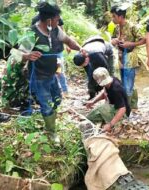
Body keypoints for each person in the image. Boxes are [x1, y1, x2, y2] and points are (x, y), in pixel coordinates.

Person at [21, 2, 82, 142]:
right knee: (47, 105)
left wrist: (79, 48)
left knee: (57, 99)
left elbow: (67, 40)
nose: (58, 21)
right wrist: (27, 55)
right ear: (49, 20)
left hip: (52, 75)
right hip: (39, 77)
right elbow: (15, 54)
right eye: (56, 19)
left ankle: (50, 120)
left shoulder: (55, 30)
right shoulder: (31, 34)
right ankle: (51, 132)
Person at [110, 5, 146, 110]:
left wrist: (130, 44)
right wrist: (114, 41)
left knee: (128, 83)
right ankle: (133, 104)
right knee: (125, 80)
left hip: (130, 56)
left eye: (114, 16)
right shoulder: (116, 28)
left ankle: (127, 107)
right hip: (120, 56)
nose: (112, 19)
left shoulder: (132, 26)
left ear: (121, 17)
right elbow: (112, 39)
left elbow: (143, 39)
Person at [32, 13, 69, 96]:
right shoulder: (35, 25)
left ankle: (64, 90)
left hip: (57, 51)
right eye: (56, 21)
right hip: (42, 58)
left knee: (60, 72)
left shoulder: (56, 25)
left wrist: (68, 44)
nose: (57, 22)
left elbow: (63, 33)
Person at [86, 67, 131, 133]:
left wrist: (110, 124)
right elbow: (104, 93)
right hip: (112, 106)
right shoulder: (110, 81)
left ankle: (118, 122)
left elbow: (122, 109)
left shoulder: (116, 89)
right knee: (90, 117)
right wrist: (93, 101)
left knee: (102, 108)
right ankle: (106, 120)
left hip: (122, 113)